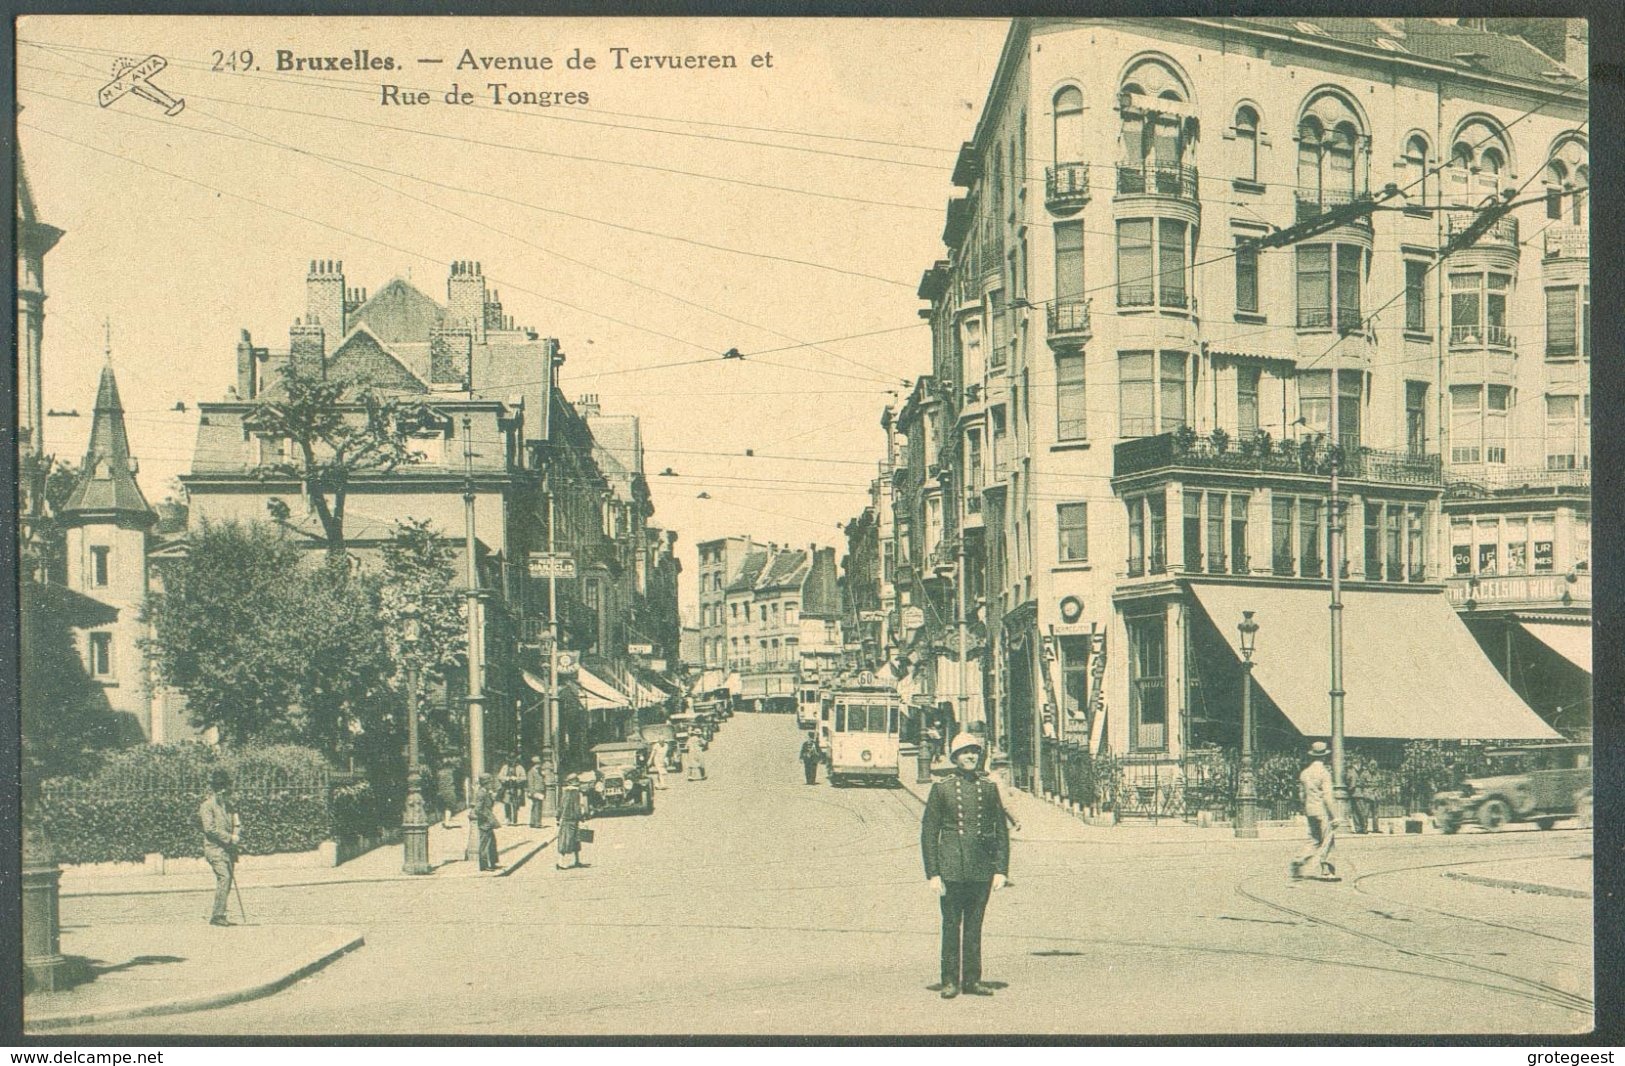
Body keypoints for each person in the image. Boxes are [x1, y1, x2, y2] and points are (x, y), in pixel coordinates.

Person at [920, 733, 1010, 999]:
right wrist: (933, 873)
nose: (970, 756)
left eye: (974, 752)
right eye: (964, 752)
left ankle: (972, 980)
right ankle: (949, 980)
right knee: (951, 926)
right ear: (955, 757)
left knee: (974, 926)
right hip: (952, 869)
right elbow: (929, 832)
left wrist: (1001, 869)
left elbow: (1001, 831)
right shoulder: (942, 788)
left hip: (980, 868)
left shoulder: (988, 788)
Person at [199, 769, 240, 927]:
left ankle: (220, 913)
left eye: (225, 787)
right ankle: (217, 916)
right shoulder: (207, 806)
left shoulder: (229, 805)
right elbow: (209, 828)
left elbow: (237, 822)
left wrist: (236, 834)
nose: (224, 791)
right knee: (224, 877)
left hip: (229, 849)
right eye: (220, 788)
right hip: (214, 849)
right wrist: (229, 837)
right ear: (215, 789)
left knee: (227, 880)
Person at [1292, 741, 1339, 880]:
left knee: (1314, 838)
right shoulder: (1324, 773)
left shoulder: (1305, 773)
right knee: (1328, 840)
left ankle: (1300, 858)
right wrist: (1335, 816)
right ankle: (1327, 870)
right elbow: (1328, 796)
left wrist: (1306, 808)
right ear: (1325, 756)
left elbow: (1301, 795)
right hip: (1322, 810)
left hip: (1309, 809)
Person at [556, 772, 590, 870]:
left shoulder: (565, 792)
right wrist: (582, 817)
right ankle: (561, 863)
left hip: (565, 819)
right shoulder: (576, 793)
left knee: (568, 841)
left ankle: (575, 861)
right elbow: (577, 808)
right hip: (572, 820)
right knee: (570, 841)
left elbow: (560, 806)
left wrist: (558, 818)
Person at [475, 773, 502, 872]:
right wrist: (487, 818)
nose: (491, 784)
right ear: (486, 783)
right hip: (484, 823)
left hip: (488, 822)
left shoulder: (486, 792)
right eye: (489, 783)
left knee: (492, 843)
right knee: (484, 844)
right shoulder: (481, 793)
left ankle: (492, 863)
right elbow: (478, 809)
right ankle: (484, 865)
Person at [498, 756, 525, 825]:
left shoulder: (520, 767)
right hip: (507, 788)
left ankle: (515, 820)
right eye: (510, 761)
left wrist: (516, 779)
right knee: (507, 803)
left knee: (515, 804)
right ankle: (508, 818)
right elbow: (499, 776)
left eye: (513, 761)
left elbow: (524, 777)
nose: (512, 762)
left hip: (516, 788)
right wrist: (506, 778)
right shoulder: (505, 767)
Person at [526, 755, 547, 828]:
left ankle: (533, 822)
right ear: (534, 764)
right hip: (535, 792)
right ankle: (537, 823)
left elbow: (542, 781)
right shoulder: (531, 772)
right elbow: (530, 783)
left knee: (537, 806)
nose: (539, 765)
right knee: (537, 807)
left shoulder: (539, 772)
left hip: (540, 791)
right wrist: (533, 792)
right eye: (537, 764)